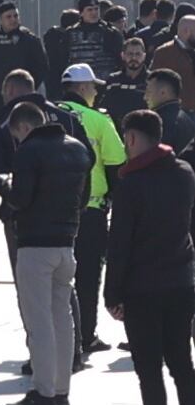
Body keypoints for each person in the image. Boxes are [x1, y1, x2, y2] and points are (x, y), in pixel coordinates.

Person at [104, 110, 195, 405]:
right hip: (181, 281)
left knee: (149, 369)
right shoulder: (184, 173)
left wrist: (112, 294)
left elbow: (120, 244)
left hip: (143, 287)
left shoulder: (131, 185)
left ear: (130, 138)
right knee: (182, 364)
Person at [0, 102, 87, 405]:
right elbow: (84, 197)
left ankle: (44, 391)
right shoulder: (76, 149)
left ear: (23, 128)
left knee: (39, 321)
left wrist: (4, 186)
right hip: (67, 242)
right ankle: (62, 390)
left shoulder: (29, 151)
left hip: (35, 244)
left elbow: (21, 199)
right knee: (63, 317)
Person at [57, 64, 125, 360]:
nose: (96, 91)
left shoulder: (47, 114)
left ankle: (57, 336)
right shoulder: (98, 120)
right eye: (93, 87)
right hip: (91, 209)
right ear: (83, 88)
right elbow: (116, 165)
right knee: (87, 275)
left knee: (54, 279)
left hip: (52, 212)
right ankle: (85, 335)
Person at [0, 5, 47, 127]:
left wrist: (28, 86)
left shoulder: (29, 39)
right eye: (8, 17)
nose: (13, 19)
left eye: (16, 16)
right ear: (0, 20)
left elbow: (42, 66)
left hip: (22, 95)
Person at [146, 70, 195, 150]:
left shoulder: (159, 122)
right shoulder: (186, 118)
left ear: (163, 92)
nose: (145, 97)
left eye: (148, 91)